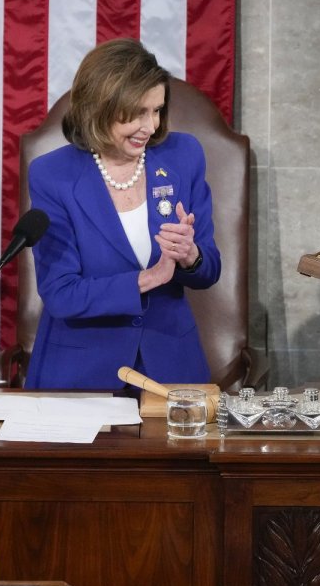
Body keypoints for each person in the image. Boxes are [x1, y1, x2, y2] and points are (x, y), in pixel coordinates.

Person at [25, 38, 221, 389]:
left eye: (157, 110)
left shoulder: (184, 155)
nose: (150, 126)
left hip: (170, 368)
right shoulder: (52, 175)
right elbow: (61, 293)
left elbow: (209, 270)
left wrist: (192, 257)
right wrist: (147, 278)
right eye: (137, 113)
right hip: (81, 372)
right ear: (98, 108)